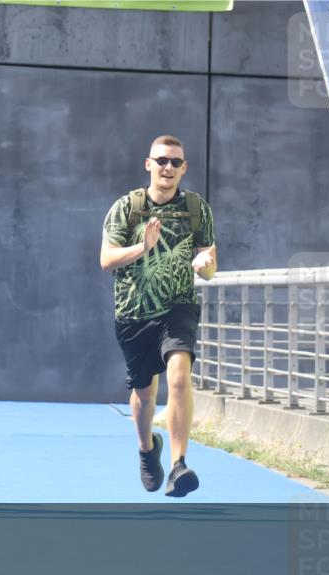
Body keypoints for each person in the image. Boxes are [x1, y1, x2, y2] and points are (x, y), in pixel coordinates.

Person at [100, 135, 217, 498]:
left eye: (175, 162)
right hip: (134, 312)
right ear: (148, 164)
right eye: (162, 160)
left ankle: (179, 465)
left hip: (178, 307)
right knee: (144, 394)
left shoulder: (196, 208)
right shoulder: (127, 208)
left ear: (184, 169)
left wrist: (205, 265)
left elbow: (209, 266)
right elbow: (106, 259)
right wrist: (143, 246)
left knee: (179, 376)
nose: (168, 167)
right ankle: (147, 449)